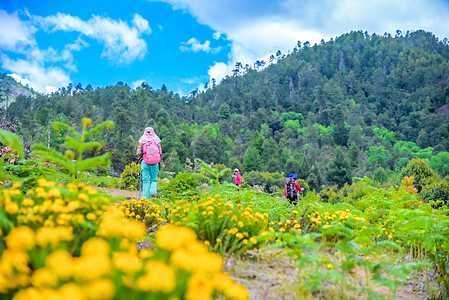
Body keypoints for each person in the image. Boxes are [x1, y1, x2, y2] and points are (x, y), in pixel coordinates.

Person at [137, 127, 162, 198]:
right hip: (155, 163)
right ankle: (153, 192)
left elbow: (138, 153)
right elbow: (160, 152)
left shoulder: (142, 140)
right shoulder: (156, 140)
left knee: (145, 181)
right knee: (154, 179)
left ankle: (145, 199)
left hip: (145, 162)